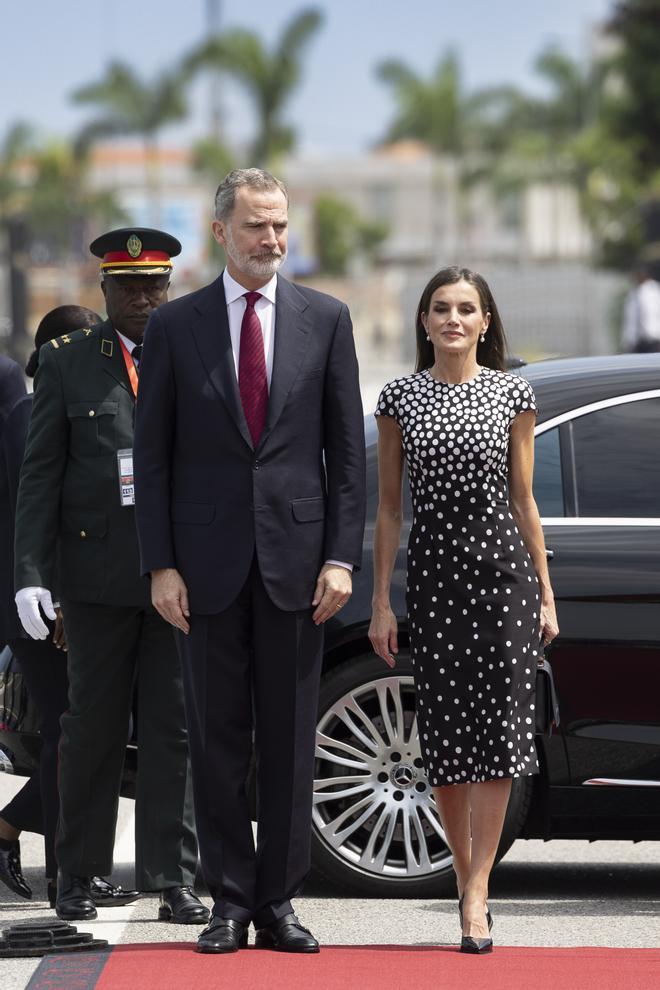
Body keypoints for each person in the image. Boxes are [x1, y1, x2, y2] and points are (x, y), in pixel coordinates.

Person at [133, 168, 366, 954]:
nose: (272, 239)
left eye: (280, 225)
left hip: (301, 568)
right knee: (217, 735)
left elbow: (345, 455)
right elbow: (154, 456)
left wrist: (341, 557)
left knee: (292, 738)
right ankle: (229, 900)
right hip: (202, 569)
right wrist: (160, 564)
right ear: (221, 233)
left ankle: (280, 901)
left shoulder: (326, 319)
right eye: (257, 226)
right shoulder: (175, 327)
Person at [13, 231, 207, 926]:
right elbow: (41, 476)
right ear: (104, 292)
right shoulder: (68, 364)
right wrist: (32, 573)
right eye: (128, 287)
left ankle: (174, 879)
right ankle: (78, 874)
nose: (143, 299)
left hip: (177, 581)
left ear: (169, 288)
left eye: (154, 285)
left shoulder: (192, 354)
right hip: (94, 581)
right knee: (89, 731)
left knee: (172, 731)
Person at [369, 266, 559, 954]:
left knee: (501, 735)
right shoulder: (400, 396)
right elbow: (390, 507)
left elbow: (525, 499)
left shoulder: (514, 392)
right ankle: (463, 877)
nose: (453, 318)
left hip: (503, 577)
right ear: (424, 322)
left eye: (466, 309)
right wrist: (381, 601)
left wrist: (545, 591)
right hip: (436, 577)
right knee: (447, 735)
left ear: (485, 323)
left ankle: (478, 889)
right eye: (441, 308)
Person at [0, 305, 141, 909]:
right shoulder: (32, 414)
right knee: (74, 732)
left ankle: (24, 838)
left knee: (88, 730)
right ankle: (65, 870)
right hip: (47, 603)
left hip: (62, 596)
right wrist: (55, 597)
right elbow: (33, 513)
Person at [621, 263, 660, 353]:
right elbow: (631, 319)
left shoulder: (655, 291)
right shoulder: (635, 293)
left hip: (655, 340)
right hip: (639, 342)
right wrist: (628, 341)